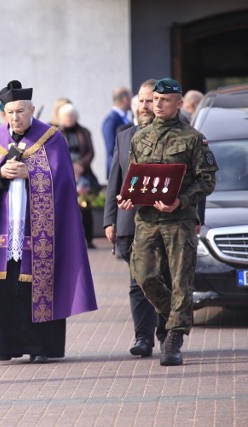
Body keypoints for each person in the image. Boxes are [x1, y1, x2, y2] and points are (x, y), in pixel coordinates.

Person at [0, 80, 97, 364]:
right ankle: (6, 345)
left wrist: (31, 174)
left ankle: (44, 347)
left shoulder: (51, 137)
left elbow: (64, 179)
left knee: (39, 284)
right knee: (7, 286)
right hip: (5, 229)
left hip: (42, 231)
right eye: (9, 112)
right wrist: (1, 174)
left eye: (20, 111)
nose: (14, 117)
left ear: (31, 110)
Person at [118, 78, 218, 366]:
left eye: (164, 100)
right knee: (145, 277)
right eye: (154, 99)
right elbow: (136, 176)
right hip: (147, 220)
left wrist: (181, 201)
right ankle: (174, 315)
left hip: (179, 221)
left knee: (180, 281)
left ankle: (173, 339)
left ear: (178, 103)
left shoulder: (193, 138)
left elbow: (207, 181)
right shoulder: (140, 137)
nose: (157, 104)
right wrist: (129, 196)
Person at [104, 79, 161, 357]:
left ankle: (165, 334)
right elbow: (114, 180)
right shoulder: (124, 136)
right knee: (138, 281)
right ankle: (143, 338)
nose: (144, 105)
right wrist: (109, 220)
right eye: (141, 100)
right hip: (129, 224)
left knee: (163, 279)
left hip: (165, 223)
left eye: (150, 100)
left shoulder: (177, 136)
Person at [57, 102, 99, 249]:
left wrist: (81, 165)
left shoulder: (84, 132)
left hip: (82, 173)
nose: (69, 119)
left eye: (71, 116)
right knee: (65, 207)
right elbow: (55, 154)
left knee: (84, 206)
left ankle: (89, 238)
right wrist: (69, 167)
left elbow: (90, 152)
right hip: (64, 173)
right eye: (66, 116)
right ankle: (67, 240)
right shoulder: (57, 133)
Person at [102, 86, 132, 177]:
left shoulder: (124, 118)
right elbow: (111, 148)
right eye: (130, 98)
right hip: (116, 170)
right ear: (125, 99)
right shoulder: (111, 120)